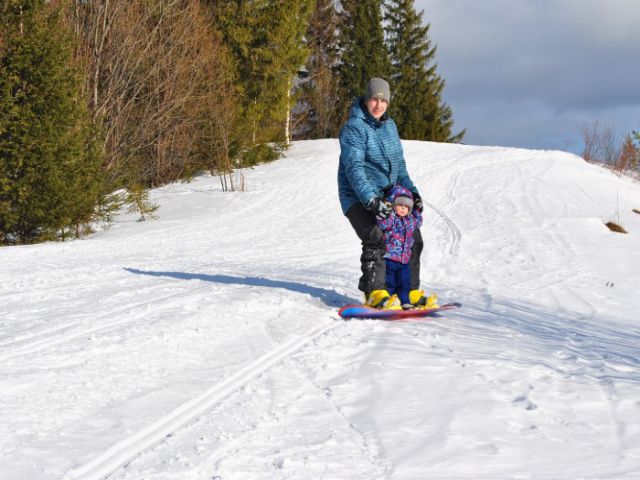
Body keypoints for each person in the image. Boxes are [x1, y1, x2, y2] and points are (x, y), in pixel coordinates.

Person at [337, 77, 437, 309]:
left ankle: (409, 292)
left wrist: (413, 194)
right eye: (374, 99)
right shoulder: (354, 128)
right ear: (366, 99)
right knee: (376, 237)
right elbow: (354, 168)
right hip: (356, 195)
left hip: (389, 195)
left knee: (413, 238)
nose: (378, 105)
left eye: (383, 100)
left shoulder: (390, 127)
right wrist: (371, 200)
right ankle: (375, 292)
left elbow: (399, 167)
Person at [377, 186, 423, 309]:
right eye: (400, 205)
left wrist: (417, 210)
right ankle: (390, 301)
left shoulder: (410, 221)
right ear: (394, 206)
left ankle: (405, 301)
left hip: (404, 260)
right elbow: (383, 224)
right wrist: (387, 212)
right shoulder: (392, 220)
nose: (403, 208)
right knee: (390, 283)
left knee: (404, 283)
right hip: (390, 258)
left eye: (407, 207)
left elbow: (418, 221)